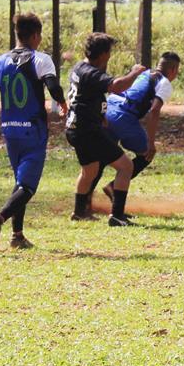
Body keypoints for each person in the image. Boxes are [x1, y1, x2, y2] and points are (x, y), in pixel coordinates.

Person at [0, 13, 68, 251]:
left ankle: (17, 236)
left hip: (10, 131)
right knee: (28, 187)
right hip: (33, 131)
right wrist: (62, 103)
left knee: (21, 182)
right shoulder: (41, 59)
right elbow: (53, 86)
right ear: (36, 35)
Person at [65, 33, 147, 226]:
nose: (110, 56)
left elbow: (86, 97)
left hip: (75, 128)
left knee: (90, 169)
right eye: (109, 52)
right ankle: (117, 216)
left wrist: (100, 115)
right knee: (126, 167)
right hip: (88, 131)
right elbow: (116, 86)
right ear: (102, 54)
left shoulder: (79, 67)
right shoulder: (92, 73)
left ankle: (79, 212)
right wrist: (135, 72)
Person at [88, 51, 181, 208]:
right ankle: (113, 189)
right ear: (174, 70)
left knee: (102, 157)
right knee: (146, 153)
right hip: (123, 116)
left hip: (109, 109)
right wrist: (151, 142)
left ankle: (85, 201)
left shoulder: (143, 72)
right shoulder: (164, 83)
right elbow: (154, 111)